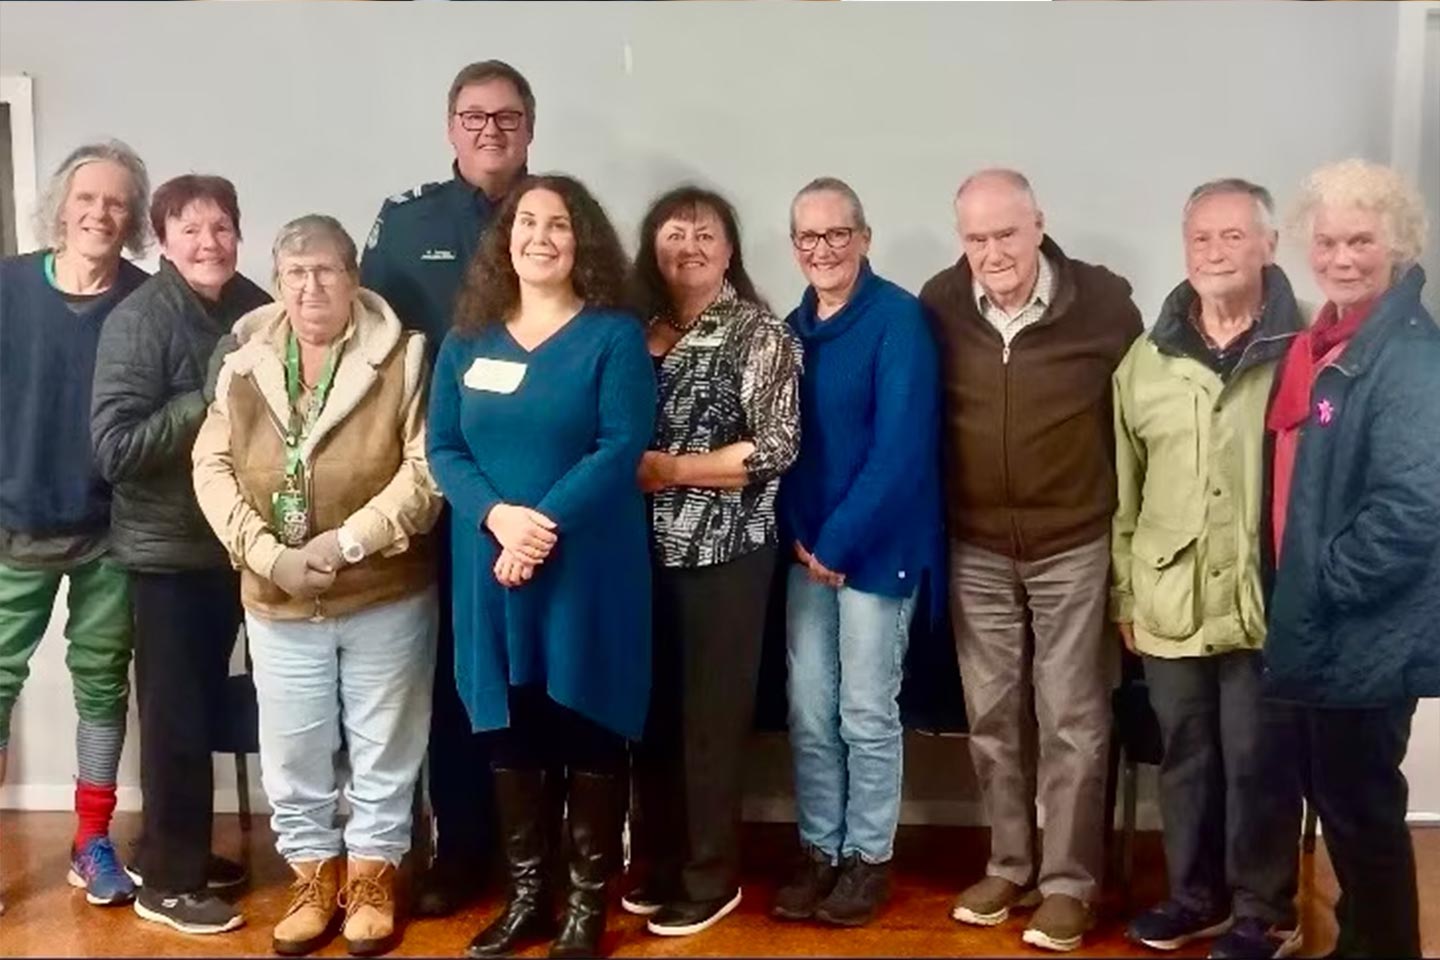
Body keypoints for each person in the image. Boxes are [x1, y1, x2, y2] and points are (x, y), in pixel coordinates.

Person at [193, 215, 443, 956]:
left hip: (383, 589)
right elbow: (211, 468)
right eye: (295, 273)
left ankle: (370, 881)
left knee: (384, 746)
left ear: (354, 277)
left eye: (327, 270)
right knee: (294, 751)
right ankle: (312, 879)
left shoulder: (404, 357)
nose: (311, 287)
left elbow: (426, 471)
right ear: (278, 283)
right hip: (276, 600)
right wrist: (269, 556)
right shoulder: (243, 362)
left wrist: (347, 541)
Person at [427, 175, 654, 960]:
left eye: (558, 225)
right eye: (526, 223)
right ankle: (529, 897)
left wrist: (541, 527)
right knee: (511, 724)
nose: (540, 237)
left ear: (581, 240)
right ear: (505, 240)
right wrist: (499, 519)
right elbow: (443, 448)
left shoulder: (614, 336)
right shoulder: (467, 339)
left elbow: (620, 445)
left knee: (585, 718)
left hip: (586, 564)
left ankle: (587, 907)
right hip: (489, 562)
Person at [920, 168, 1143, 953]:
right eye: (976, 238)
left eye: (1006, 233)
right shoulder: (940, 304)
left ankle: (1069, 883)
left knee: (1074, 719)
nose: (992, 252)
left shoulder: (1105, 302)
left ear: (1039, 224)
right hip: (976, 544)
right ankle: (1009, 864)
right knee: (991, 717)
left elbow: (1141, 415)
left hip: (1074, 542)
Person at [358, 58, 536, 916]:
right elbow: (369, 345)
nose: (490, 129)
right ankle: (463, 847)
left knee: (538, 669)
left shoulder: (562, 214)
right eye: (474, 116)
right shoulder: (405, 223)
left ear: (530, 128)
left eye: (506, 116)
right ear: (450, 127)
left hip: (541, 486)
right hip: (438, 485)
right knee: (458, 677)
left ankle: (537, 851)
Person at [1110, 179, 1305, 959]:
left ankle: (1265, 910)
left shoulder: (1302, 352)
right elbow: (1123, 487)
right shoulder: (1145, 360)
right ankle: (1194, 896)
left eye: (1232, 237)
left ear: (1268, 246)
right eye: (1201, 240)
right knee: (1186, 756)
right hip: (1169, 598)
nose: (1215, 253)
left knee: (1260, 757)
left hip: (1266, 600)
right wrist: (1126, 588)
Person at [1262, 159, 1439, 960]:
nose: (1341, 256)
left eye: (1361, 240)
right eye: (1328, 240)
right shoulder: (1335, 340)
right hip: (1329, 630)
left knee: (1362, 813)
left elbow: (1414, 508)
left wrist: (1324, 583)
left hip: (1363, 635)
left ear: (1397, 243)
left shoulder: (1406, 357)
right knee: (1349, 808)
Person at [90, 173, 270, 934]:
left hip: (232, 547)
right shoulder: (138, 321)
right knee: (175, 719)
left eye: (222, 227)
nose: (210, 243)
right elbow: (115, 449)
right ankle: (168, 882)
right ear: (162, 241)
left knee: (202, 709)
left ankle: (178, 846)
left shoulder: (252, 304)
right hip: (166, 557)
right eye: (191, 229)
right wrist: (210, 396)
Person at [618, 185, 800, 939]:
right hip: (634, 556)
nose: (687, 247)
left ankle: (708, 874)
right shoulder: (631, 330)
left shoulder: (757, 332)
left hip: (724, 554)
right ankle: (656, 860)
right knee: (648, 716)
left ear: (729, 250)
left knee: (710, 721)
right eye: (673, 234)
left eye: (704, 235)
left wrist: (672, 470)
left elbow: (777, 445)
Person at [771, 177, 941, 928]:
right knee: (810, 714)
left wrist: (837, 541)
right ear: (794, 247)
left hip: (877, 552)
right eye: (808, 238)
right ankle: (821, 850)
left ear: (864, 238)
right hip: (809, 553)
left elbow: (901, 449)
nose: (824, 250)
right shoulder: (789, 329)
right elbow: (784, 448)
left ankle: (869, 858)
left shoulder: (898, 321)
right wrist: (804, 539)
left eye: (837, 234)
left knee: (866, 713)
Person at [0, 139, 150, 908]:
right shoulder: (8, 287)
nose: (100, 212)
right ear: (61, 205)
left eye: (117, 201)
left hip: (111, 534)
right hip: (13, 528)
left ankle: (91, 840)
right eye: (88, 198)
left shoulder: (147, 301)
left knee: (101, 687)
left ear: (134, 219)